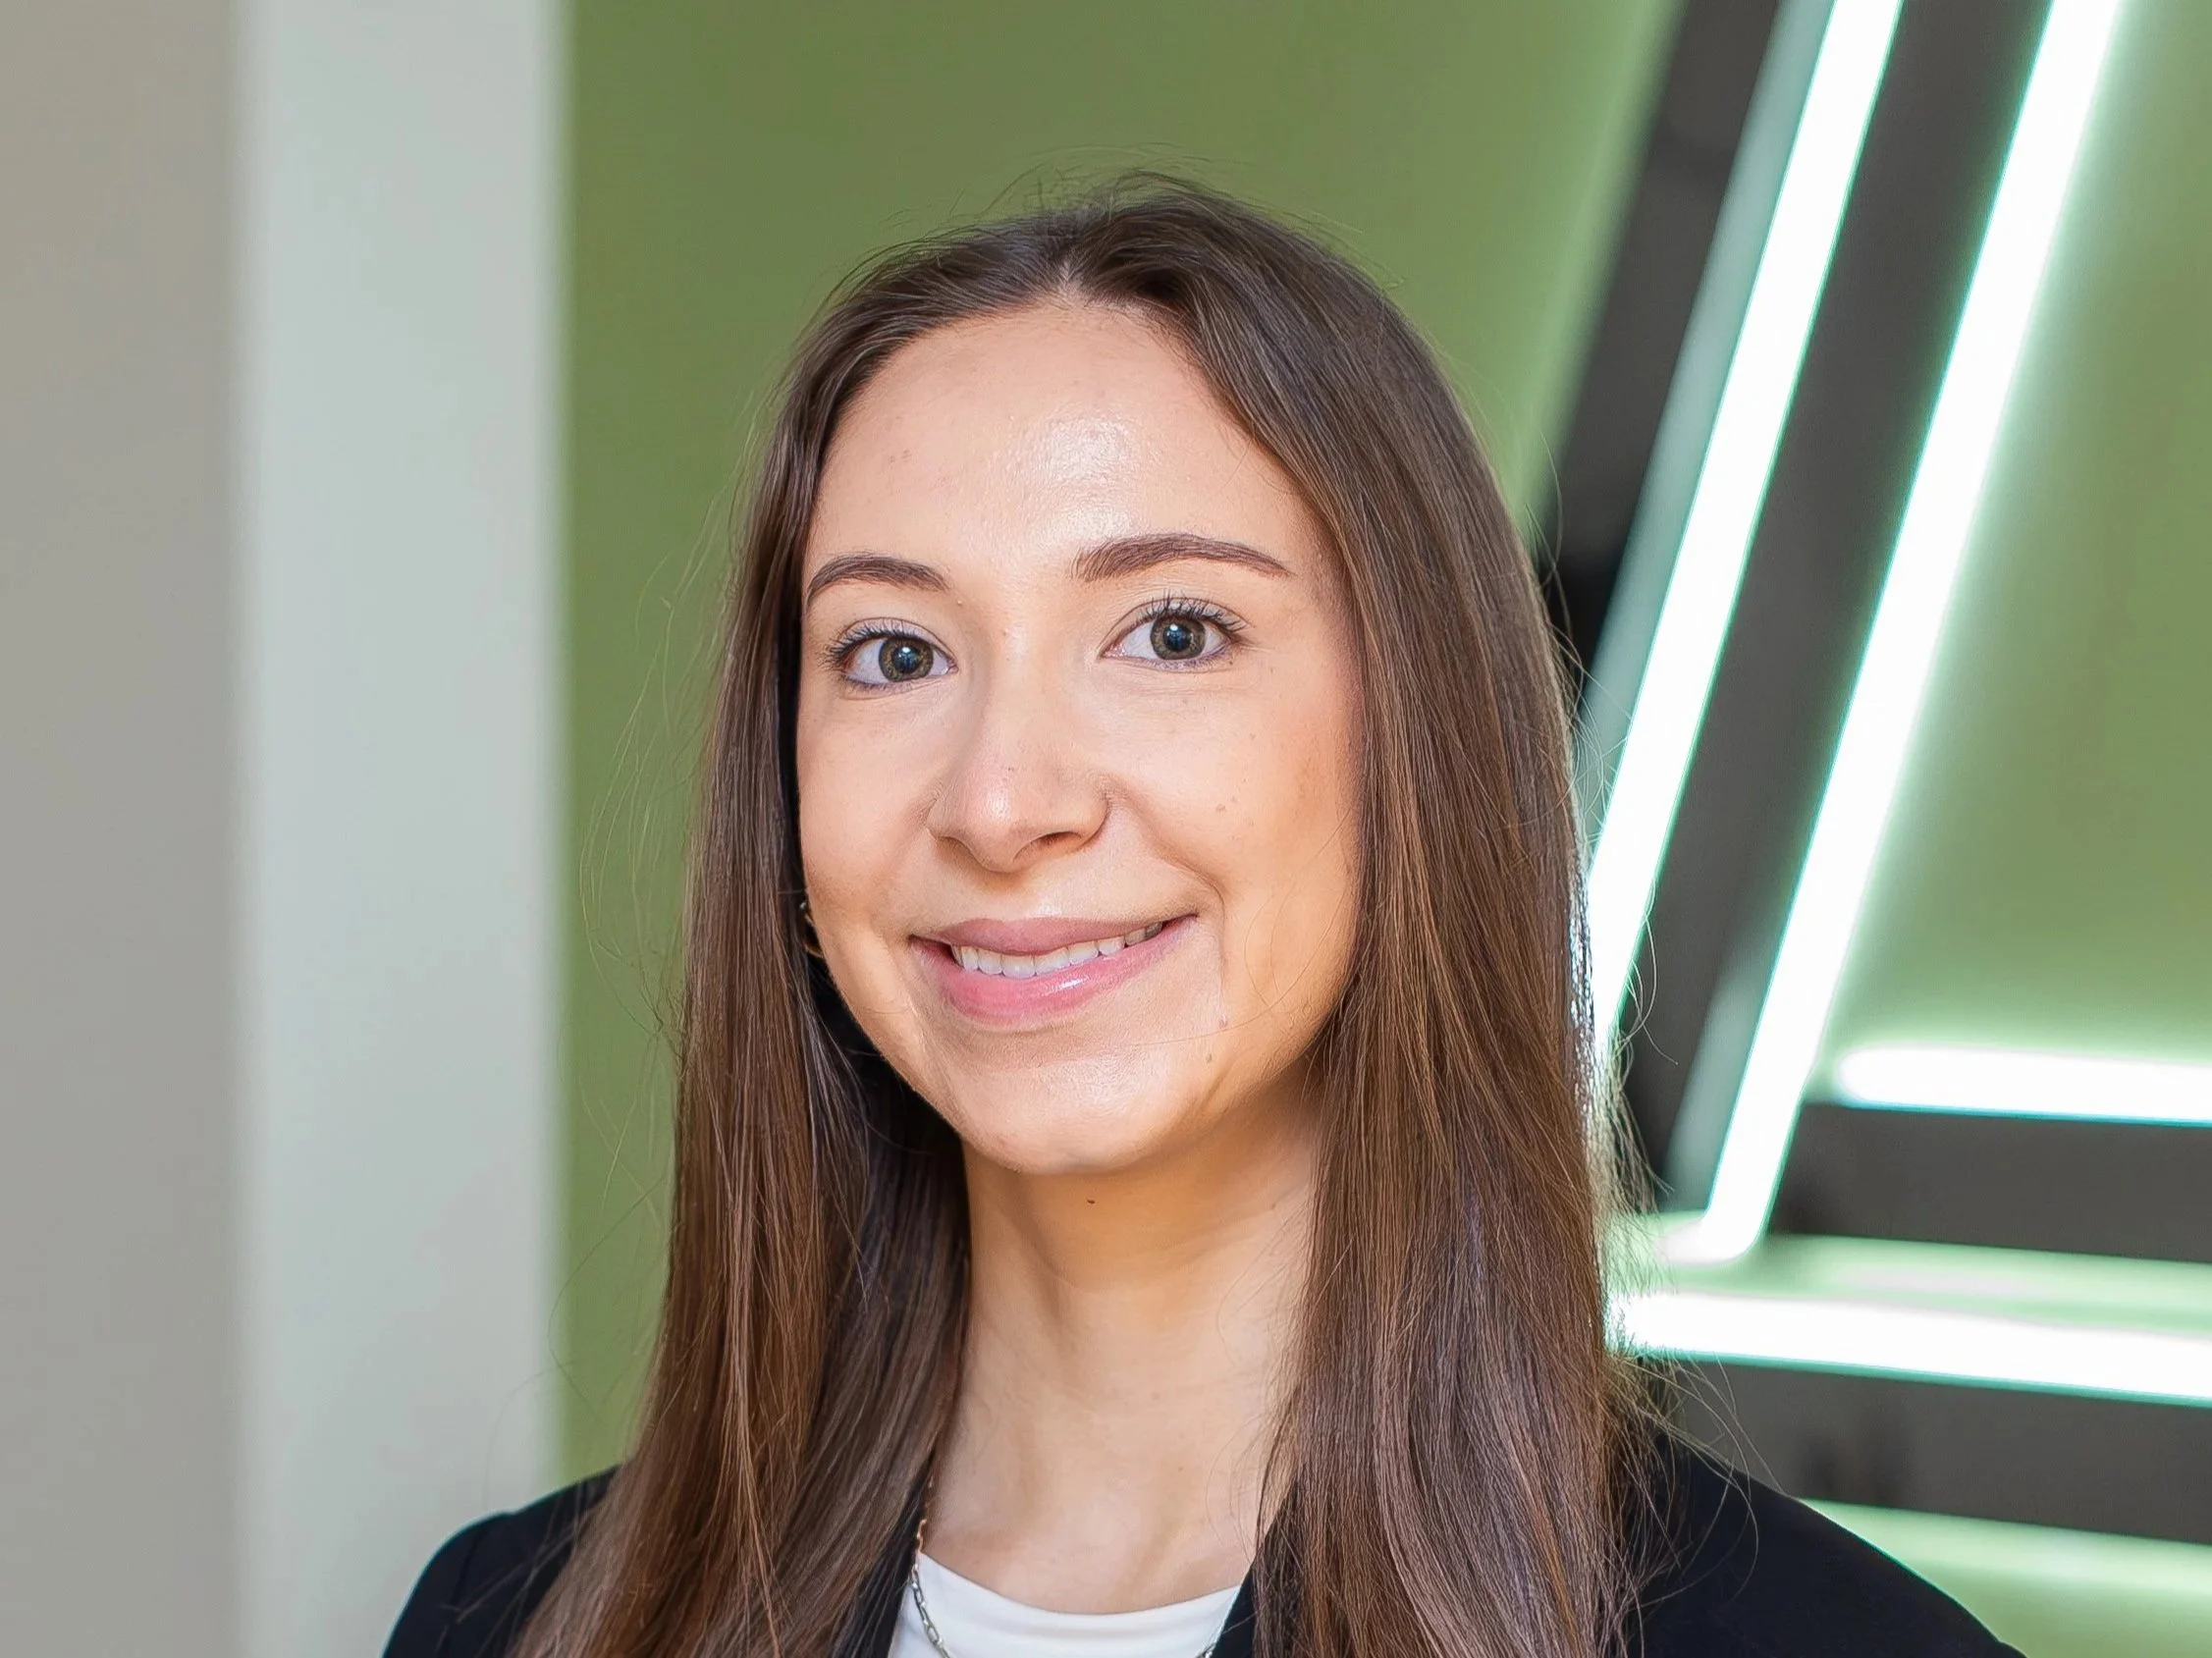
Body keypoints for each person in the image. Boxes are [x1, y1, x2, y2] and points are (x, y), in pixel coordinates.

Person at [385, 178, 2017, 1658]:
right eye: (894, 654)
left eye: (1171, 632)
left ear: (1413, 748)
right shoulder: (509, 1621)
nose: (1004, 798)